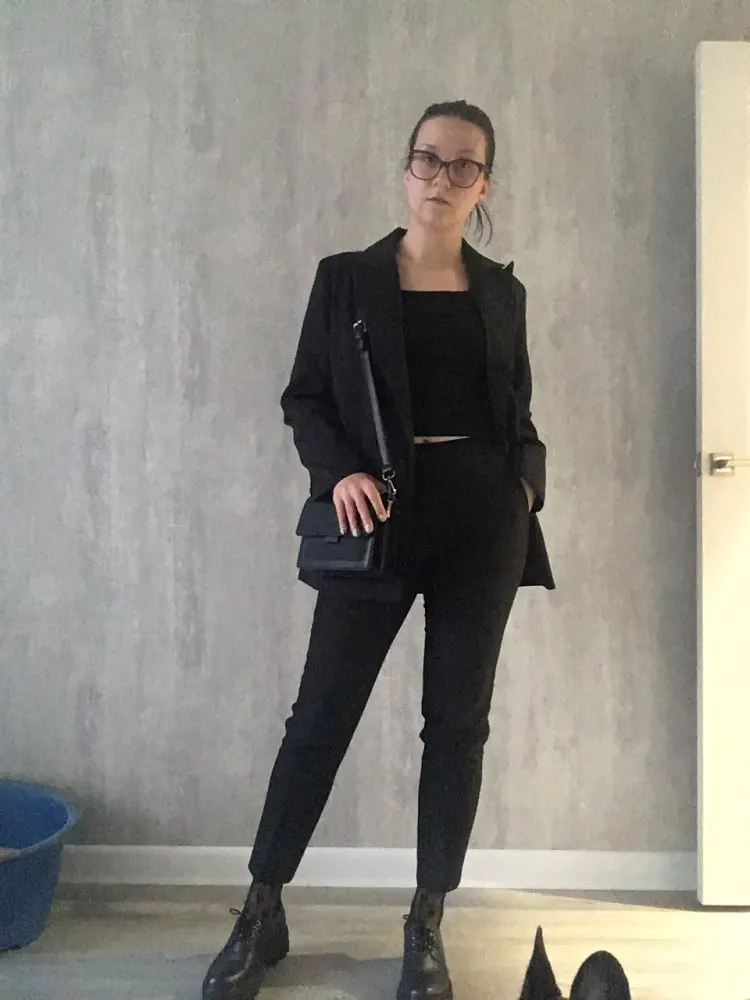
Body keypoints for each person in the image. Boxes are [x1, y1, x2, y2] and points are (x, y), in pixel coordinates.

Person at [202, 99, 554, 1000]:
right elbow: (306, 398)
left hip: (482, 523)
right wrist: (341, 474)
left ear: (484, 186)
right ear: (406, 169)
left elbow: (517, 412)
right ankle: (260, 910)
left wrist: (523, 490)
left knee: (458, 727)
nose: (443, 177)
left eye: (465, 164)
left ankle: (426, 922)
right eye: (429, 158)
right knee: (320, 716)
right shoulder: (347, 280)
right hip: (377, 520)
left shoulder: (503, 293)